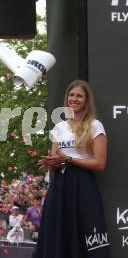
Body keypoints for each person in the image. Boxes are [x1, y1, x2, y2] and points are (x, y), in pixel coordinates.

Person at [35, 80, 110, 258]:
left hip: (83, 185)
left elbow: (100, 163)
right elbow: (55, 159)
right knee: (58, 230)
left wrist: (68, 159)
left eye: (79, 95)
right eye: (71, 95)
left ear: (86, 100)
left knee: (85, 231)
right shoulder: (59, 128)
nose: (74, 99)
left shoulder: (95, 125)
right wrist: (51, 162)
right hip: (60, 186)